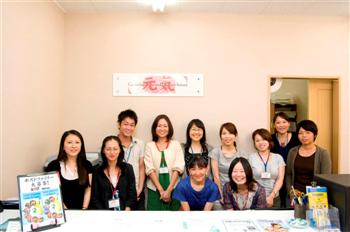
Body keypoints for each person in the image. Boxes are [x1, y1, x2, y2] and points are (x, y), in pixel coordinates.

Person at [144, 114, 185, 210]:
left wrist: (169, 190)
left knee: (174, 217)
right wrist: (161, 191)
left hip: (174, 187)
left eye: (165, 126)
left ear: (169, 128)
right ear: (154, 128)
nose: (162, 129)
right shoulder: (149, 145)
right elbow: (150, 169)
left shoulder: (176, 144)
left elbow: (178, 167)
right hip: (154, 189)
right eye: (159, 126)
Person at [46, 130, 92, 209]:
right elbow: (52, 192)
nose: (73, 146)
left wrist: (84, 209)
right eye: (69, 142)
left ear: (81, 145)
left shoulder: (87, 165)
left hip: (83, 212)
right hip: (61, 211)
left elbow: (88, 189)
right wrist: (66, 210)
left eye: (77, 142)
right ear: (63, 146)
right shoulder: (53, 166)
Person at [286, 120, 332, 195]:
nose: (304, 135)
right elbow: (288, 175)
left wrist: (317, 196)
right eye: (300, 133)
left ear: (315, 135)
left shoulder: (323, 153)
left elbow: (326, 178)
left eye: (308, 132)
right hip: (296, 196)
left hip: (316, 196)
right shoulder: (292, 152)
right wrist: (291, 192)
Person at [91, 136, 137, 210]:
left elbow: (132, 194)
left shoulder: (128, 168)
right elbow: (95, 198)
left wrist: (127, 209)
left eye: (115, 149)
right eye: (108, 149)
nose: (112, 152)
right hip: (104, 214)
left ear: (120, 150)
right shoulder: (97, 170)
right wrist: (105, 214)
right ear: (103, 151)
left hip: (125, 212)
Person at [209, 122, 247, 209]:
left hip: (238, 193)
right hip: (220, 192)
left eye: (230, 133)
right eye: (224, 133)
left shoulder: (242, 153)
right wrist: (221, 195)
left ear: (235, 135)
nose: (227, 136)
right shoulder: (215, 152)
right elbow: (216, 176)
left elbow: (245, 176)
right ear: (220, 136)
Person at [117, 109, 146, 210]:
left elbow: (141, 167)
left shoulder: (140, 144)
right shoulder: (112, 144)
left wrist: (140, 189)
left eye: (132, 125)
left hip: (136, 190)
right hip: (117, 192)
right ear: (119, 125)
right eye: (125, 124)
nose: (128, 128)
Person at [249, 128, 285, 208]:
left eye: (264, 139)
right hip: (255, 198)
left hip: (275, 198)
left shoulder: (278, 158)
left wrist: (271, 196)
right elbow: (249, 179)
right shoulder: (251, 158)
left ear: (269, 141)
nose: (261, 143)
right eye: (257, 140)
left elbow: (280, 179)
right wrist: (261, 197)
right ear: (254, 143)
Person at [271, 112, 300, 208]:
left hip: (292, 176)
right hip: (276, 176)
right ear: (274, 125)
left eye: (284, 122)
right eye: (278, 122)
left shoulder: (297, 137)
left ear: (289, 124)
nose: (281, 125)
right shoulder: (270, 139)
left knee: (292, 204)